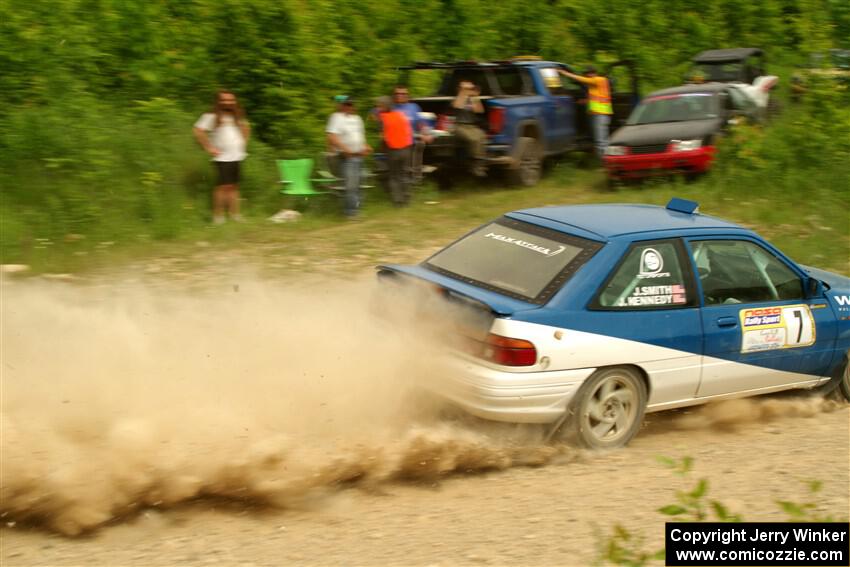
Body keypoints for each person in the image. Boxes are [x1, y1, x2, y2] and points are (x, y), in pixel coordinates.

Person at [193, 90, 250, 224]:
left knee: (234, 186)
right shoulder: (211, 116)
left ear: (234, 101)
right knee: (222, 186)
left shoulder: (237, 115)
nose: (228, 102)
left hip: (237, 155)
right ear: (218, 101)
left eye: (230, 100)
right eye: (224, 100)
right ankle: (218, 216)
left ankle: (234, 214)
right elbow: (198, 130)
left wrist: (243, 143)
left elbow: (247, 127)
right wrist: (208, 147)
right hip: (222, 157)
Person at [326, 95, 371, 218]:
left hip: (359, 155)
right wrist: (345, 149)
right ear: (341, 105)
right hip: (346, 157)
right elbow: (332, 136)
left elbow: (360, 136)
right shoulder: (336, 117)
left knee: (360, 184)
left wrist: (366, 146)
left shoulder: (357, 119)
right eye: (347, 104)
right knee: (351, 185)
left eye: (351, 104)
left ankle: (357, 210)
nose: (349, 106)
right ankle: (350, 213)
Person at [558, 66, 612, 159]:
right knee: (600, 140)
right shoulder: (595, 84)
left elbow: (580, 79)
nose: (587, 77)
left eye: (588, 74)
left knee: (601, 142)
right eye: (586, 75)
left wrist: (564, 73)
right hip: (597, 114)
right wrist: (584, 101)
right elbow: (595, 98)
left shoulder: (599, 80)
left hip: (601, 115)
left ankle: (606, 164)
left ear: (593, 74)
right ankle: (604, 162)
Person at [375, 96, 413, 206]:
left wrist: (382, 148)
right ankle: (406, 199)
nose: (377, 108)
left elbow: (382, 137)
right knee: (404, 174)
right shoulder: (401, 115)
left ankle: (398, 201)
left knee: (394, 176)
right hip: (406, 149)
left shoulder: (383, 118)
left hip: (393, 151)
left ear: (385, 106)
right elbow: (408, 131)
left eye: (379, 106)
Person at [392, 84, 433, 184]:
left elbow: (422, 122)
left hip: (413, 139)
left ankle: (416, 179)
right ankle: (406, 180)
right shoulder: (391, 108)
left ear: (408, 95)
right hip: (398, 140)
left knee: (419, 144)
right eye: (397, 93)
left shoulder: (414, 107)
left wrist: (427, 133)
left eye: (403, 94)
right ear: (394, 95)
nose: (400, 95)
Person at [452, 81, 487, 176]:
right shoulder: (458, 98)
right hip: (460, 125)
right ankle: (475, 163)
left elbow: (479, 110)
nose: (470, 90)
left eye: (470, 88)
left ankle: (479, 163)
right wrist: (463, 92)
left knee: (481, 136)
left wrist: (475, 97)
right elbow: (457, 106)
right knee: (473, 138)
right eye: (467, 88)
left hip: (471, 125)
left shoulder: (472, 99)